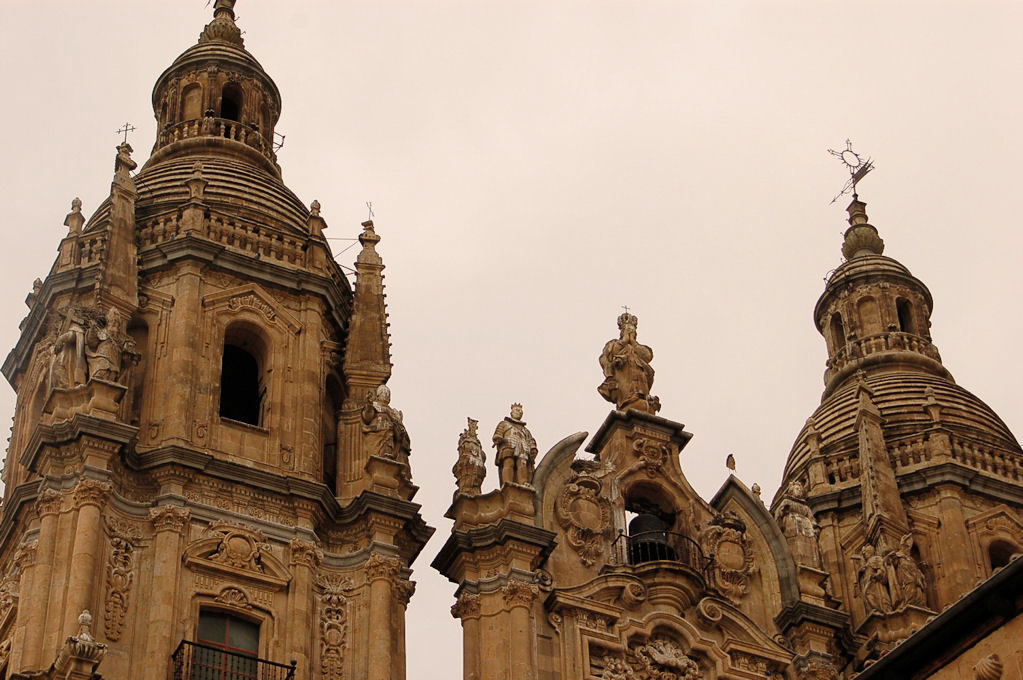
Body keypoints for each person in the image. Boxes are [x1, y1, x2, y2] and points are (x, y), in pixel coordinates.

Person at [493, 403, 537, 487]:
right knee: (509, 462)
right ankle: (507, 482)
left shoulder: (525, 429)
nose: (519, 412)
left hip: (523, 447)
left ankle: (523, 482)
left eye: (521, 411)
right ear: (511, 412)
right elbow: (498, 433)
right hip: (508, 444)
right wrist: (498, 438)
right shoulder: (504, 424)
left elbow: (530, 439)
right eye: (517, 410)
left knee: (522, 463)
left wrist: (533, 447)